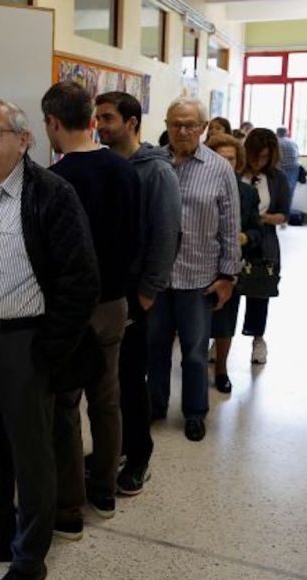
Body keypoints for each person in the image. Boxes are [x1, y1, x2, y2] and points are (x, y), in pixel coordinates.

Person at [0, 97, 99, 580]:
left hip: (23, 347)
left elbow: (81, 283)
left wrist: (46, 354)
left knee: (31, 456)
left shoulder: (52, 195)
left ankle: (28, 558)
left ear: (24, 138)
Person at [41, 81, 139, 537]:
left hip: (69, 308)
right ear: (93, 120)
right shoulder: (124, 170)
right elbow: (135, 237)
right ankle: (104, 488)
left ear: (53, 124)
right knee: (107, 398)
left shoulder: (55, 181)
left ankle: (69, 505)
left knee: (65, 403)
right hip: (114, 303)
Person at [94, 91, 181, 495]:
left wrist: (147, 293)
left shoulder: (156, 172)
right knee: (106, 379)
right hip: (107, 292)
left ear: (131, 122)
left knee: (130, 378)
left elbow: (167, 235)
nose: (100, 124)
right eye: (97, 117)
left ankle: (139, 455)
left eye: (108, 117)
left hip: (136, 295)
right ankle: (112, 450)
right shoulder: (107, 166)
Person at [148, 97, 241, 442]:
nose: (182, 131)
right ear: (167, 125)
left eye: (189, 125)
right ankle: (155, 405)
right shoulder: (154, 163)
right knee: (154, 348)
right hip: (157, 278)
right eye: (175, 124)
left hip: (199, 277)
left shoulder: (219, 168)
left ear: (203, 128)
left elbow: (231, 226)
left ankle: (195, 412)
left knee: (195, 352)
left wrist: (228, 276)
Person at [205, 133, 261, 392]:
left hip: (229, 266)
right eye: (220, 158)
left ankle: (221, 370)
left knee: (226, 322)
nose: (226, 164)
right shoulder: (198, 184)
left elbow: (257, 230)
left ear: (238, 162)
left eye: (231, 159)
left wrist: (245, 237)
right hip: (198, 263)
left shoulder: (247, 193)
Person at [234, 129, 289, 365]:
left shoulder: (277, 179)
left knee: (259, 291)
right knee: (229, 289)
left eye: (264, 157)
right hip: (235, 238)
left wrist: (258, 219)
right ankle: (220, 338)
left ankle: (258, 339)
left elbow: (283, 215)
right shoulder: (235, 173)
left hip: (263, 240)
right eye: (254, 156)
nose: (258, 162)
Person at [276, 126, 301, 205]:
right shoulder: (293, 143)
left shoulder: (276, 142)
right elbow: (297, 157)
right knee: (289, 193)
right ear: (287, 133)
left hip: (281, 169)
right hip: (294, 169)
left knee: (278, 193)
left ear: (277, 133)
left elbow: (276, 158)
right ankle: (287, 213)